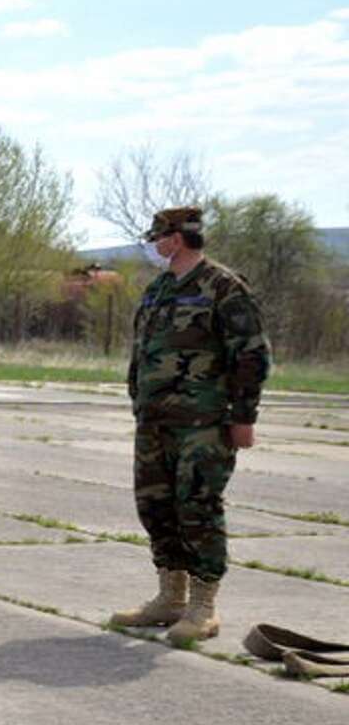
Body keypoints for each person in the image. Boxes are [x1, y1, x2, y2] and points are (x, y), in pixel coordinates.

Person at [111, 206, 272, 642]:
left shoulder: (224, 287)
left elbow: (251, 355)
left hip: (204, 422)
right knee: (156, 506)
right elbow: (142, 351)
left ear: (176, 239)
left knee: (197, 507)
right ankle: (170, 597)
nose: (155, 246)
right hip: (155, 420)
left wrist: (244, 417)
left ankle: (204, 606)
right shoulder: (160, 288)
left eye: (158, 238)